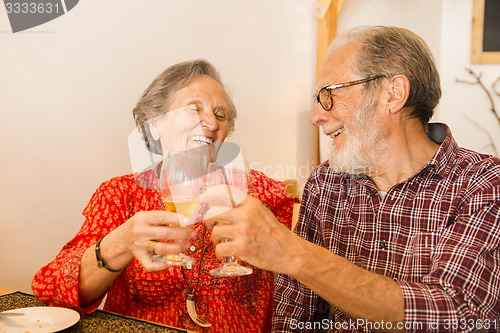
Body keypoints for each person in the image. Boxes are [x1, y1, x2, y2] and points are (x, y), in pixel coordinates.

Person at [202, 26, 500, 332]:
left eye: (328, 95)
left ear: (393, 93)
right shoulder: (326, 183)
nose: (316, 116)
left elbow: (459, 314)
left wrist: (291, 252)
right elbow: (294, 319)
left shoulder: (484, 183)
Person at [32, 59, 298, 332]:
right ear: (154, 125)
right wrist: (120, 244)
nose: (210, 122)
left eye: (221, 115)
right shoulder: (120, 194)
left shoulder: (256, 191)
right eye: (194, 109)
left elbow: (318, 246)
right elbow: (50, 290)